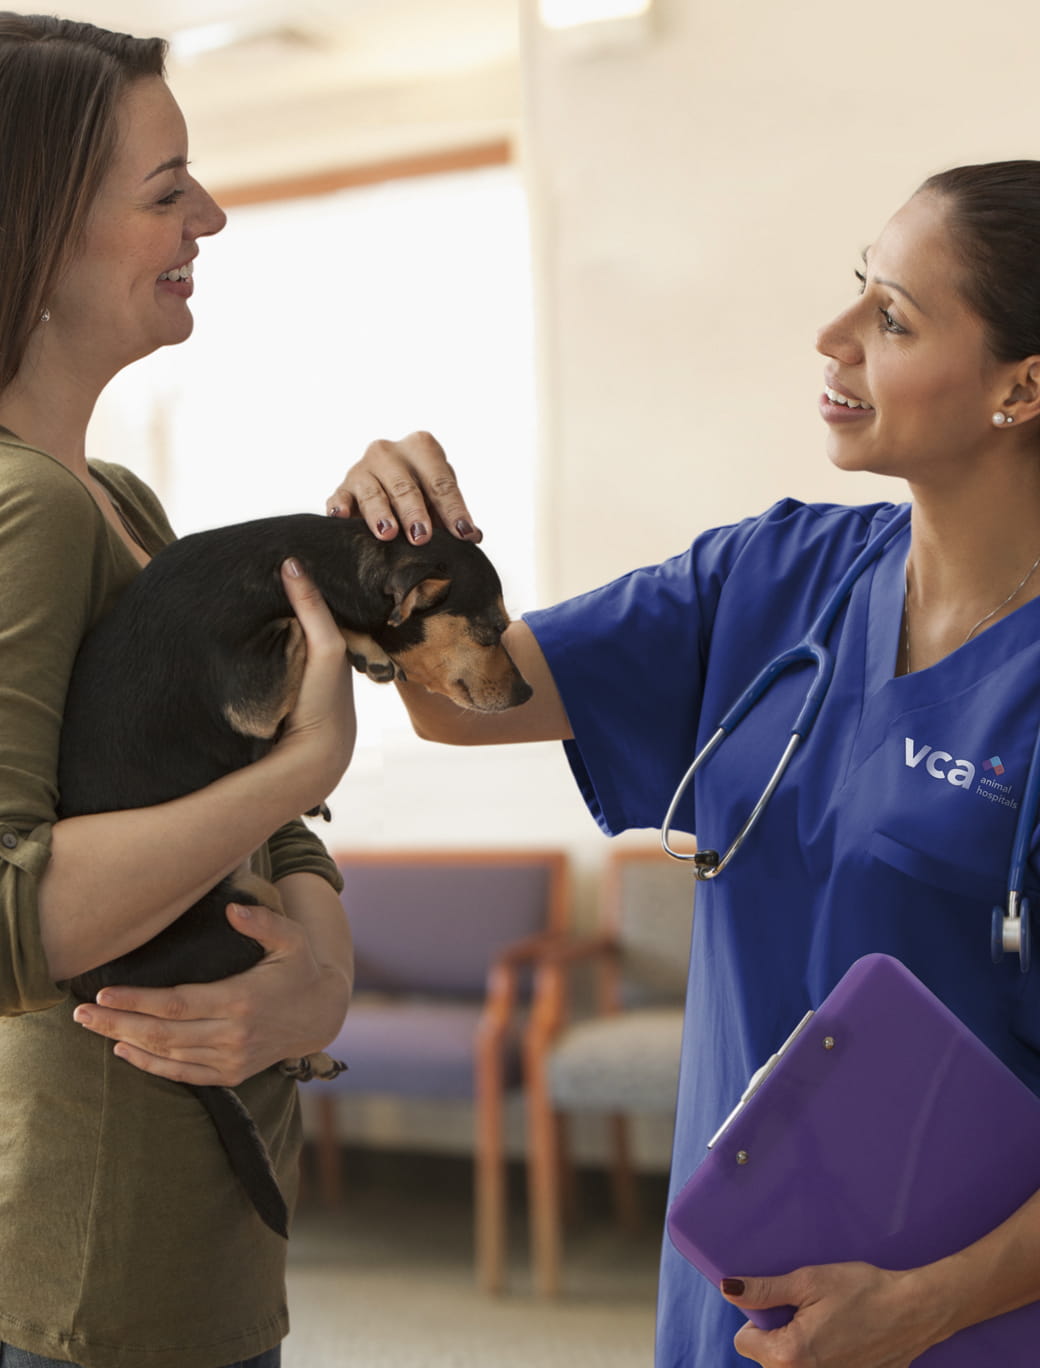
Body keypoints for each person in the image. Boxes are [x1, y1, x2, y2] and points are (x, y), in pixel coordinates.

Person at [327, 161, 1040, 1366]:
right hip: (732, 1299)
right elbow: (463, 705)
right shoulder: (764, 581)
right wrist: (376, 551)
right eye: (856, 287)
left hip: (957, 1318)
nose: (831, 337)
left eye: (891, 318)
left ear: (1019, 386)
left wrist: (926, 1307)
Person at [0, 15, 357, 1368]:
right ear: (34, 231)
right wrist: (301, 763)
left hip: (191, 1247)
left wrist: (318, 980)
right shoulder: (29, 512)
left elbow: (257, 825)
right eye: (166, 192)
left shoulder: (118, 502)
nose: (208, 215)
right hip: (82, 1278)